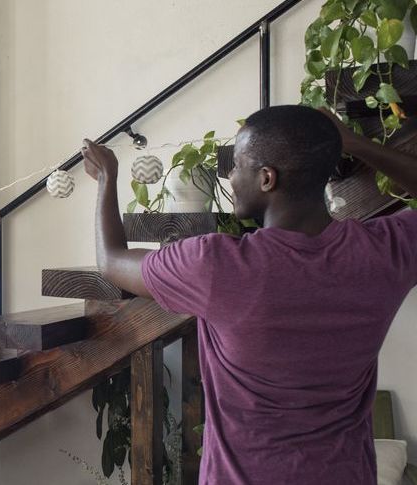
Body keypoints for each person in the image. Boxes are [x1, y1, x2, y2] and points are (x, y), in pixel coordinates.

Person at [82, 105, 417, 485]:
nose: (229, 175)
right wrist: (357, 143)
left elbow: (111, 262)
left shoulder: (216, 265)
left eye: (237, 164)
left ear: (266, 178)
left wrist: (107, 178)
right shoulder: (382, 252)